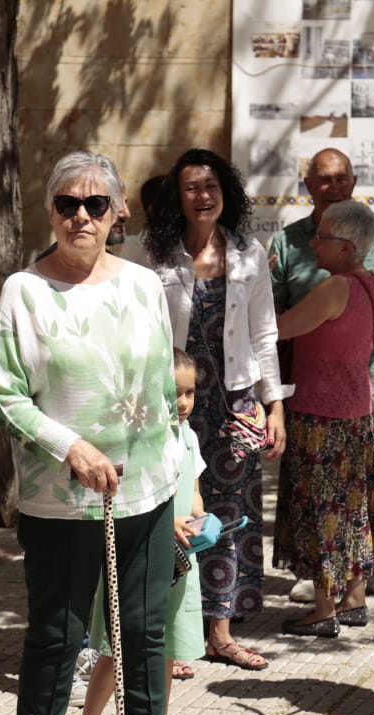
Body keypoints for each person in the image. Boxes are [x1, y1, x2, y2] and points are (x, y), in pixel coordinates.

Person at [0, 151, 182, 715]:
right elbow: (5, 395)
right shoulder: (24, 290)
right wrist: (70, 447)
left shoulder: (144, 284)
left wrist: (177, 467)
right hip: (62, 495)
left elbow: (164, 387)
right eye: (67, 204)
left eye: (95, 204)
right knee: (59, 633)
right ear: (50, 212)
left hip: (148, 487)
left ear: (116, 213)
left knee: (143, 630)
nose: (81, 216)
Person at [144, 148, 285, 670]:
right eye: (191, 188)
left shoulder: (249, 252)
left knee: (230, 515)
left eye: (210, 186)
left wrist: (275, 406)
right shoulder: (155, 255)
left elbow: (264, 334)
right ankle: (172, 637)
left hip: (235, 401)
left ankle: (220, 634)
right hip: (174, 400)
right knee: (173, 511)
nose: (202, 196)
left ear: (225, 191)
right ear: (177, 197)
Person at [270, 147, 374, 608]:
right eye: (325, 179)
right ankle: (321, 575)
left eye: (342, 178)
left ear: (353, 182)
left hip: (371, 373)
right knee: (318, 483)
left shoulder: (373, 232)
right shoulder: (287, 241)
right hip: (311, 380)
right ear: (308, 185)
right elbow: (272, 305)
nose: (335, 187)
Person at [63, 348, 206, 715]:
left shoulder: (189, 437)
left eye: (190, 393)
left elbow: (194, 491)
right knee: (118, 643)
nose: (183, 402)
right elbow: (129, 495)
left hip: (180, 559)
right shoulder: (142, 438)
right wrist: (167, 520)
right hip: (138, 554)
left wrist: (198, 518)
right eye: (174, 393)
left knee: (165, 645)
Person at [274, 200, 374, 636]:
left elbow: (280, 328)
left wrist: (255, 288)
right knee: (351, 508)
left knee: (322, 509)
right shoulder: (370, 284)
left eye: (322, 237)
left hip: (321, 416)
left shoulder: (335, 287)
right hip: (354, 413)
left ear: (346, 247)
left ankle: (323, 609)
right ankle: (353, 598)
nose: (313, 244)